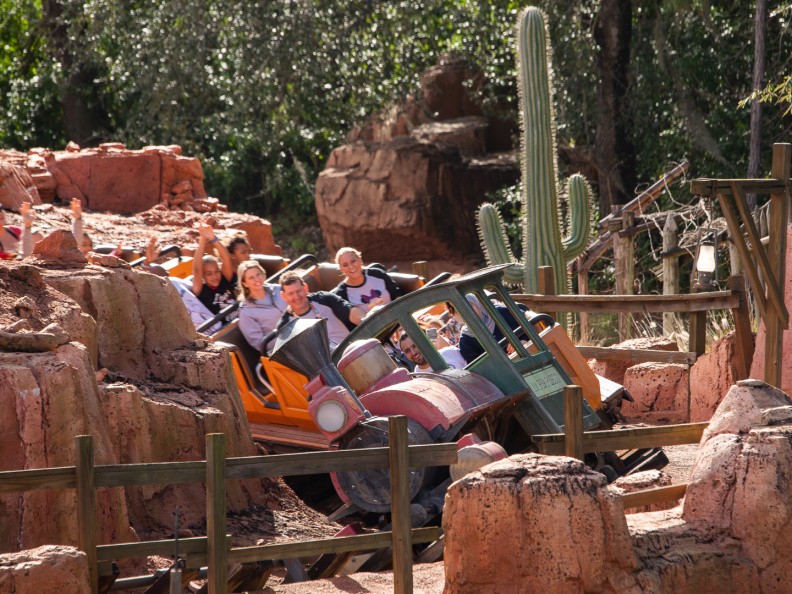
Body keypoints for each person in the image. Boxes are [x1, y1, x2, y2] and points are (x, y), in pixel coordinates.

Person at [276, 270, 365, 351]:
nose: (296, 297)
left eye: (298, 291)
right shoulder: (285, 326)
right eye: (290, 293)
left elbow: (351, 312)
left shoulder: (325, 299)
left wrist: (364, 320)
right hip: (325, 365)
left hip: (352, 349)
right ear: (284, 296)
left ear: (305, 288)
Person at [237, 260, 288, 354]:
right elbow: (259, 342)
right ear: (245, 283)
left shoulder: (278, 289)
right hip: (280, 348)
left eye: (258, 274)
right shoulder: (246, 311)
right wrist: (285, 339)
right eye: (251, 277)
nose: (257, 279)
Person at [332, 247, 402, 313]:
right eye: (345, 265)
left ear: (360, 260)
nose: (351, 266)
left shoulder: (377, 274)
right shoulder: (342, 293)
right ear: (341, 269)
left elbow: (397, 296)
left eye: (353, 261)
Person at [192, 221, 236, 316]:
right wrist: (203, 240)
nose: (214, 276)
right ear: (203, 276)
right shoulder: (200, 290)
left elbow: (226, 258)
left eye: (217, 271)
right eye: (209, 274)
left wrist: (213, 238)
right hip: (224, 328)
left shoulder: (225, 280)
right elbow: (197, 270)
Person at [399, 331, 466, 371]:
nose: (413, 353)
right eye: (407, 351)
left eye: (415, 346)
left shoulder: (451, 352)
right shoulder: (418, 376)